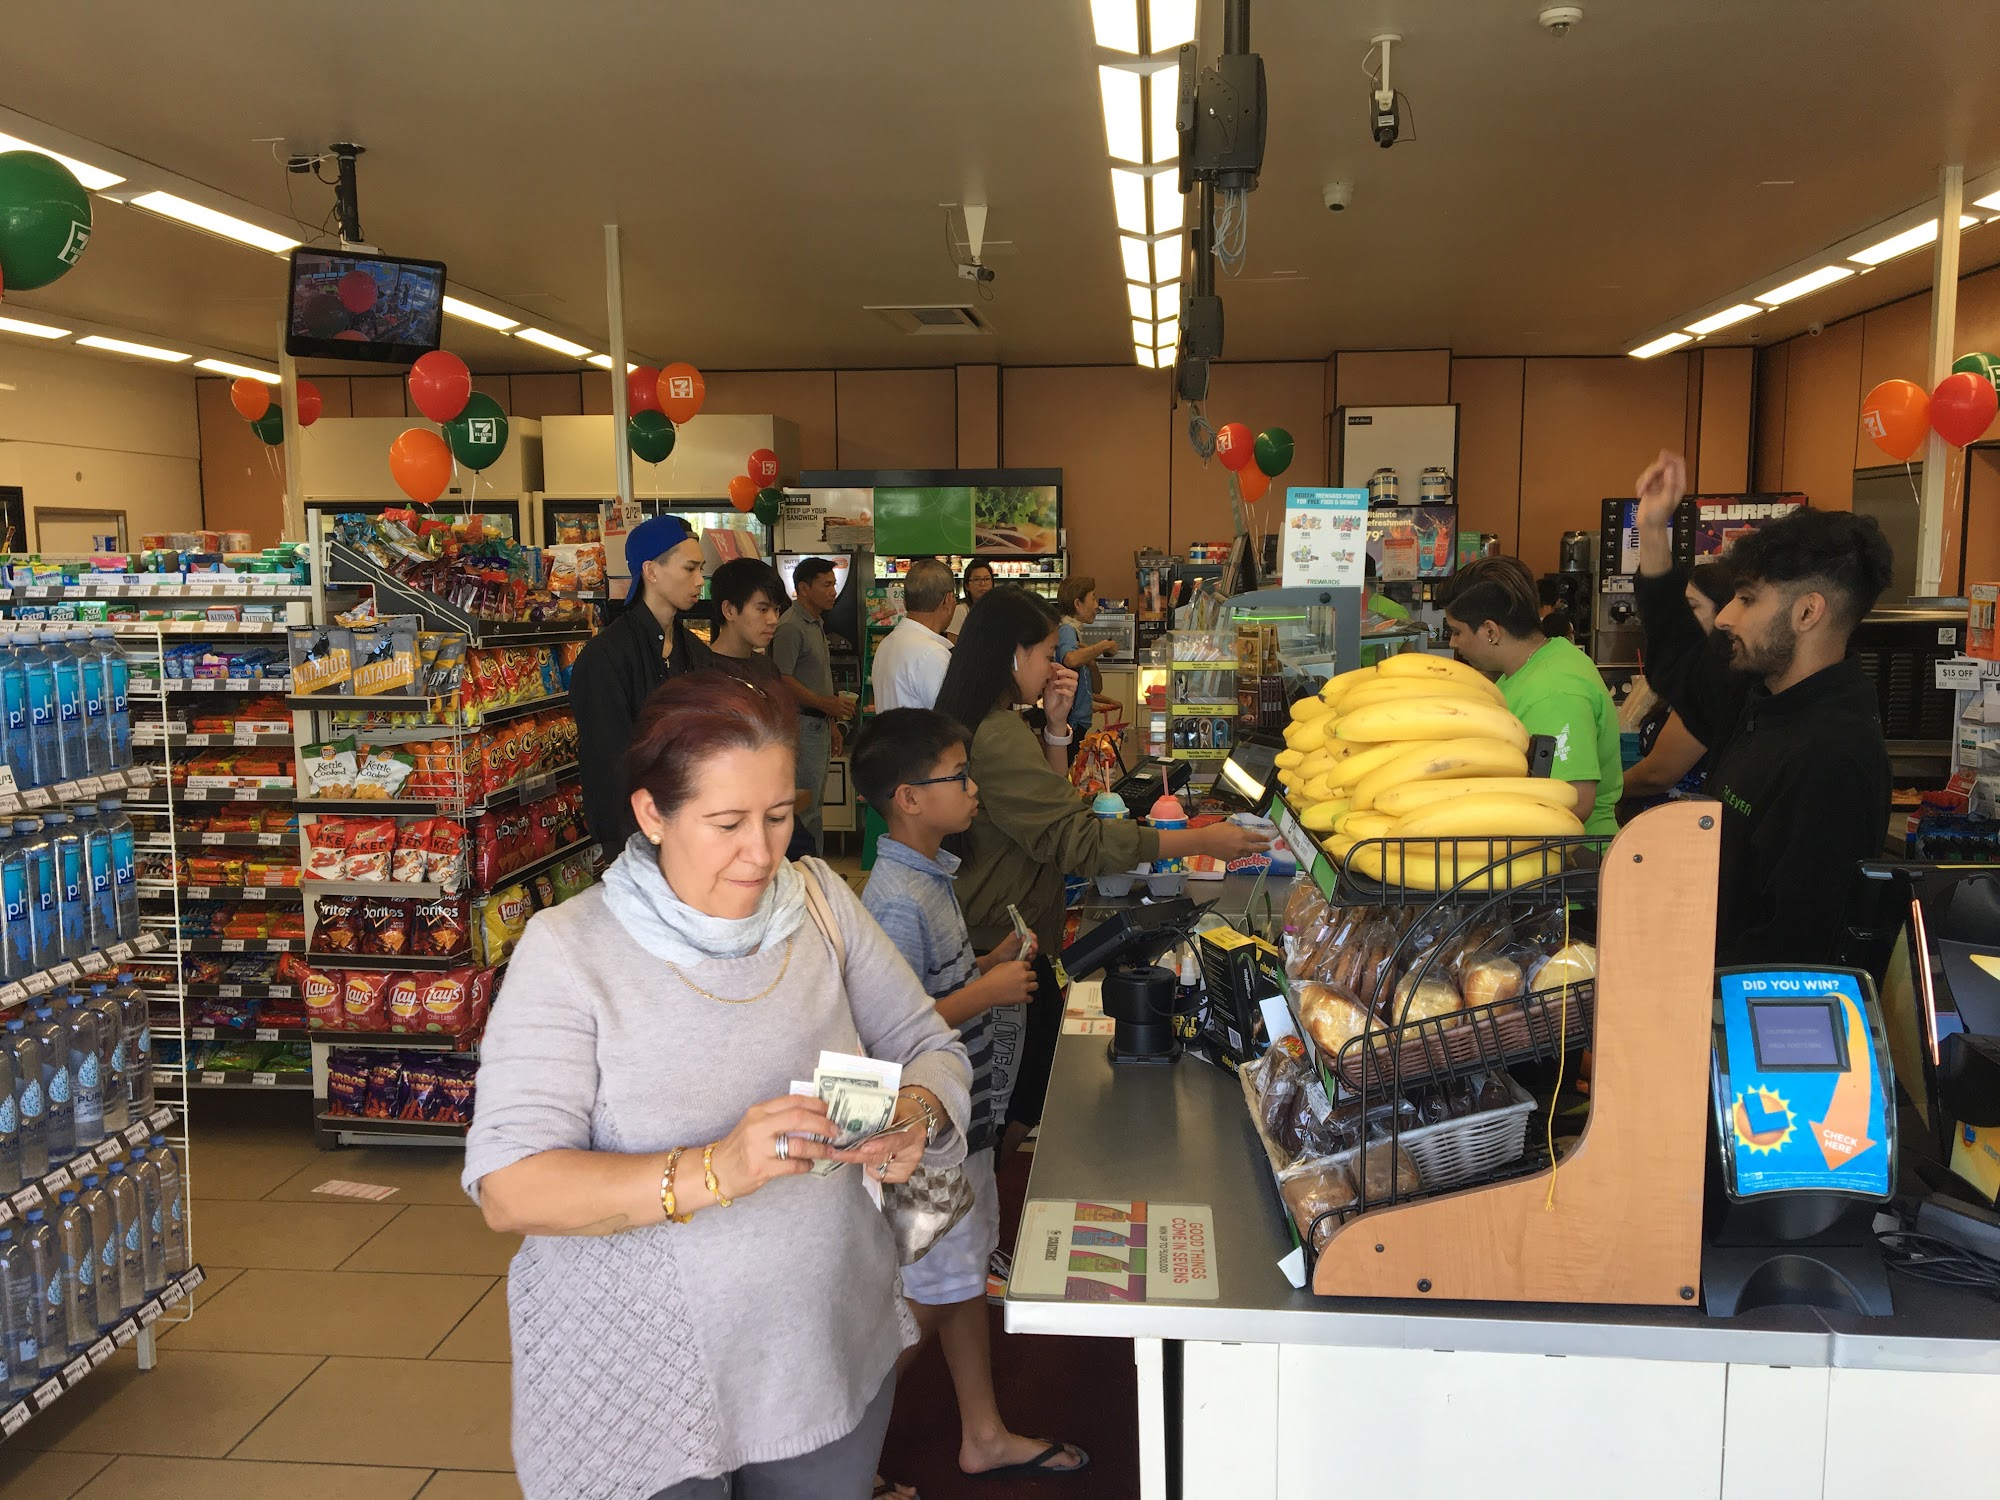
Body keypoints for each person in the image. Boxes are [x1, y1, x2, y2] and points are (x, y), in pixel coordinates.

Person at [464, 672, 970, 1500]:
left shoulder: (819, 905)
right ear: (652, 814)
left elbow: (929, 1045)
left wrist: (915, 1113)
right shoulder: (570, 951)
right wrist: (717, 1169)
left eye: (779, 816)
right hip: (641, 1381)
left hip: (824, 1345)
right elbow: (511, 1188)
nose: (762, 853)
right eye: (727, 824)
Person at [935, 587, 1269, 1145]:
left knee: (1014, 1095)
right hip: (1000, 945)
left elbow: (1050, 813)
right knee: (1010, 1103)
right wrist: (1200, 838)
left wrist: (1055, 728)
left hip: (999, 933)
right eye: (1048, 654)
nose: (1055, 667)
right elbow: (1074, 839)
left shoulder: (992, 723)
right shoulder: (995, 736)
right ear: (1013, 654)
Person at [852, 709, 1090, 1483]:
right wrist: (984, 993)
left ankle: (981, 1433)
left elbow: (927, 987)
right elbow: (893, 1027)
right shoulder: (895, 898)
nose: (973, 787)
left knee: (958, 1281)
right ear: (909, 798)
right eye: (959, 776)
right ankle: (834, 1449)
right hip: (929, 1141)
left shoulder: (929, 876)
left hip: (966, 1125)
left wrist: (985, 967)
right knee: (927, 1296)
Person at [1633, 450, 1894, 965]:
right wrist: (1652, 528)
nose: (1725, 617)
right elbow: (1681, 661)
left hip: (1748, 1004)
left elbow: (1793, 947)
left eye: (1748, 599)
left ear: (1807, 612)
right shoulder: (1760, 692)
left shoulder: (1831, 758)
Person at [1440, 555, 1623, 836]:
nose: (1453, 642)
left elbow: (1574, 801)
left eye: (1456, 632)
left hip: (1573, 855)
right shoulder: (1535, 662)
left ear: (1490, 631)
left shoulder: (1555, 691)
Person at [569, 514, 710, 850]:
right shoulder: (605, 656)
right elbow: (608, 764)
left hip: (691, 828)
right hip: (634, 838)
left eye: (701, 569)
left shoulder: (696, 651)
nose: (700, 580)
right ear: (651, 571)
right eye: (690, 568)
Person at [706, 558, 818, 862]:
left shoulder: (766, 667)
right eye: (762, 609)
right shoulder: (705, 672)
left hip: (775, 801)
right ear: (729, 610)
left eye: (776, 610)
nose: (772, 620)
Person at [1622, 561, 1735, 806]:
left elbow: (1657, 774)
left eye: (1691, 607)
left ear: (1724, 615)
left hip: (1685, 821)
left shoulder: (1714, 683)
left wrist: (1605, 791)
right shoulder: (1688, 673)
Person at [772, 557, 857, 855]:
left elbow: (815, 679)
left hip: (818, 725)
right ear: (804, 588)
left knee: (816, 804)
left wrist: (830, 722)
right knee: (804, 807)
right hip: (801, 728)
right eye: (826, 585)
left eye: (834, 584)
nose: (833, 591)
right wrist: (824, 704)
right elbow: (782, 679)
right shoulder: (790, 627)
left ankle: (815, 867)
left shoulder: (816, 623)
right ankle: (803, 870)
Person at [872, 557, 956, 712]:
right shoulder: (932, 654)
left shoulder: (886, 643)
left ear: (904, 602)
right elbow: (952, 718)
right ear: (948, 600)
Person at [1055, 575, 1118, 747]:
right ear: (1078, 603)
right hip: (1072, 721)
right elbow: (1070, 659)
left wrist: (1091, 663)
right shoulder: (1067, 630)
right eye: (1093, 598)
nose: (1097, 605)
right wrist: (1104, 646)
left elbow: (1095, 689)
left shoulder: (1076, 633)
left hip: (1080, 720)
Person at [946, 557, 995, 640]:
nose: (982, 583)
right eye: (976, 579)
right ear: (967, 586)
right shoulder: (961, 611)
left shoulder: (998, 609)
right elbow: (954, 643)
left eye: (987, 579)